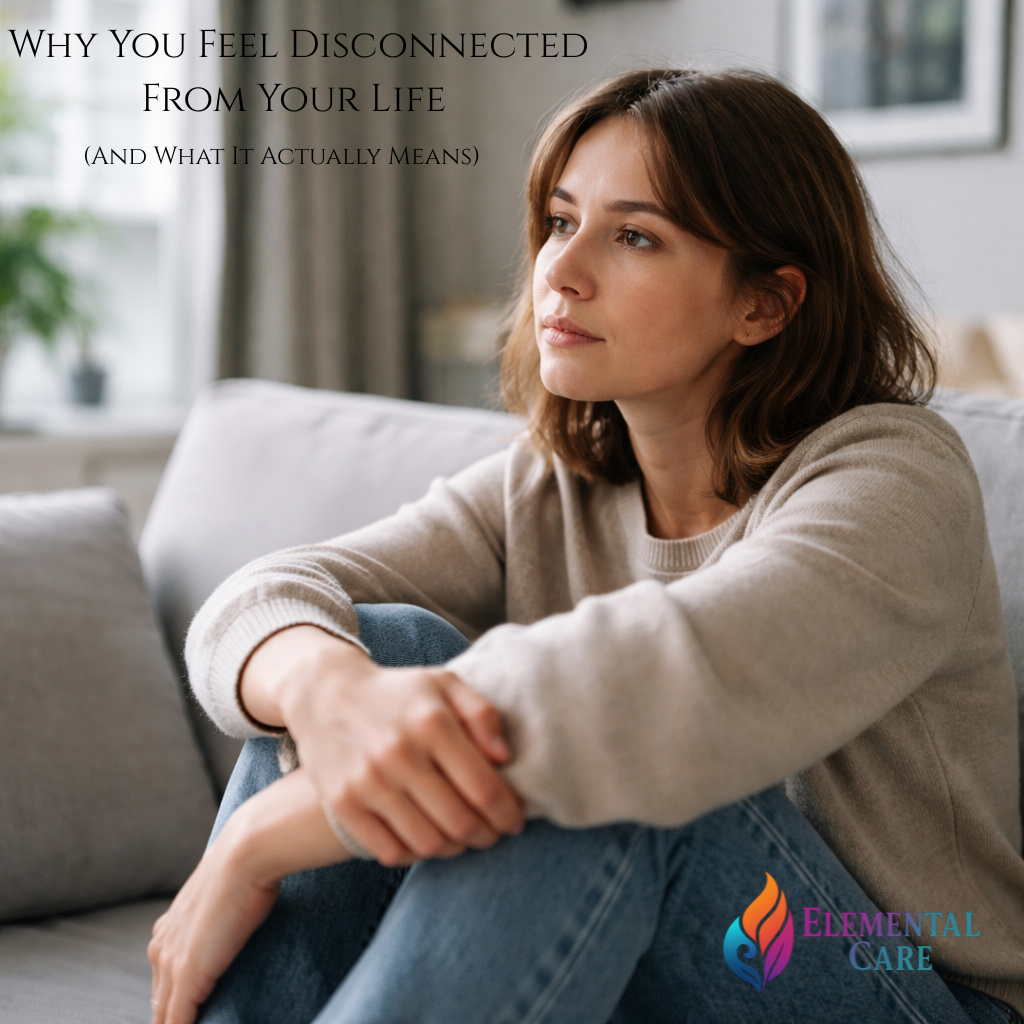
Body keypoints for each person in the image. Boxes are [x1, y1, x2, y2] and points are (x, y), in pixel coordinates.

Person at [147, 68, 1024, 1024]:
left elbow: (648, 694)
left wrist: (266, 837)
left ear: (764, 306)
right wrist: (330, 693)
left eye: (635, 236)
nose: (561, 270)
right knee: (383, 640)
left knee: (611, 776)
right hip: (662, 978)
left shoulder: (893, 479)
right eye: (562, 221)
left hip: (899, 987)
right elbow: (269, 594)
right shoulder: (555, 481)